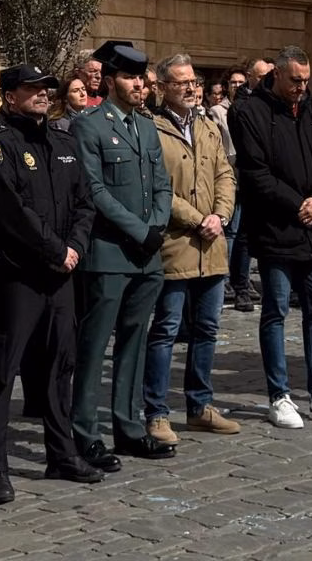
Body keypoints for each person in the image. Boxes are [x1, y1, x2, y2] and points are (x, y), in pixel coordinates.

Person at [0, 64, 101, 505]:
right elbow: (9, 208)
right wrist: (53, 250)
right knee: (0, 372)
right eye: (32, 89)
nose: (43, 95)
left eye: (46, 88)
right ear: (9, 95)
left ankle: (61, 454)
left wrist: (75, 248)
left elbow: (84, 201)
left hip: (60, 273)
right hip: (15, 274)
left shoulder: (62, 140)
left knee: (58, 365)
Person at [229, 46, 312, 428]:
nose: (302, 87)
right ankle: (279, 395)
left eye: (306, 80)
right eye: (295, 80)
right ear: (277, 75)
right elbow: (256, 173)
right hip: (275, 228)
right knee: (276, 311)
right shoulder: (250, 111)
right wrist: (298, 203)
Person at [71, 42, 175, 464]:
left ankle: (129, 427)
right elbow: (93, 190)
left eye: (143, 80)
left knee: (135, 342)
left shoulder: (146, 126)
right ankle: (85, 433)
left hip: (147, 254)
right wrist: (138, 229)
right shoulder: (89, 126)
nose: (141, 87)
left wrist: (156, 226)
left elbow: (162, 182)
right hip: (110, 253)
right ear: (112, 80)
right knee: (95, 347)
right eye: (133, 79)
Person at [144, 54, 240, 445]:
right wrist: (197, 218)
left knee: (208, 328)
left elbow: (224, 174)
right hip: (176, 244)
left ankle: (200, 405)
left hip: (212, 244)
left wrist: (220, 214)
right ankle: (156, 412)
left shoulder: (208, 124)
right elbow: (156, 185)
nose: (190, 87)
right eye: (181, 82)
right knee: (166, 329)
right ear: (162, 87)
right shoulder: (151, 128)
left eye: (193, 81)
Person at [214, 66, 256, 311]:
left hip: (246, 176)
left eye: (242, 81)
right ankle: (227, 279)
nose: (238, 86)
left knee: (244, 233)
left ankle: (242, 280)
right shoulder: (218, 111)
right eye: (233, 82)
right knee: (230, 231)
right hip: (230, 173)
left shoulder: (251, 107)